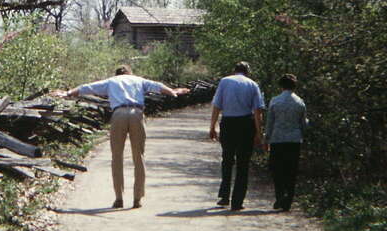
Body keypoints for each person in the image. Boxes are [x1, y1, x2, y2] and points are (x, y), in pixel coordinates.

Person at [57, 65, 189, 209]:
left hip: (118, 114)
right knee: (138, 156)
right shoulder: (138, 80)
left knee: (117, 156)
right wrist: (172, 92)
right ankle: (137, 198)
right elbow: (157, 86)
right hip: (136, 113)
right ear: (130, 72)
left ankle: (119, 198)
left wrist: (67, 93)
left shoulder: (111, 81)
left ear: (117, 74)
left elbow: (87, 87)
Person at [209, 61, 265, 211]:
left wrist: (212, 126)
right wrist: (259, 133)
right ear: (247, 71)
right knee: (243, 163)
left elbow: (217, 105)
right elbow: (257, 111)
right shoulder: (253, 85)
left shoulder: (225, 81)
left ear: (234, 70)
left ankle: (224, 196)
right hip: (246, 124)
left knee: (227, 159)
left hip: (228, 123)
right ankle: (237, 201)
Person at [265, 73, 308, 211]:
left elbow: (270, 122)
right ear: (294, 86)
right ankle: (288, 200)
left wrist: (267, 138)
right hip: (294, 140)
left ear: (281, 86)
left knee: (277, 170)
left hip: (277, 139)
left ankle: (279, 196)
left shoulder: (275, 101)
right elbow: (303, 124)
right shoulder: (300, 102)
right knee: (291, 170)